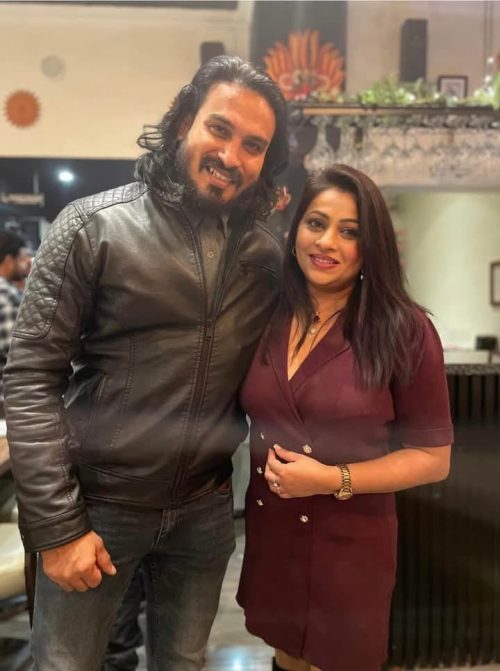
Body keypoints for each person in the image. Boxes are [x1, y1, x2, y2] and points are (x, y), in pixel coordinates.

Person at [4, 55, 288, 671]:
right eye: (219, 128)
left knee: (183, 664)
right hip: (95, 505)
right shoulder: (93, 227)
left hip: (204, 509)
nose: (231, 155)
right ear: (184, 121)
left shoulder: (267, 255)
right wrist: (57, 526)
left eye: (254, 145)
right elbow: (29, 380)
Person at [236, 165, 453, 671]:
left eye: (349, 231)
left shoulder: (405, 329)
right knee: (286, 657)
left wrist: (333, 479)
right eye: (316, 223)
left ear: (370, 246)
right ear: (295, 231)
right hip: (274, 534)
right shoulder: (266, 315)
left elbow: (432, 458)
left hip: (349, 545)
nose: (326, 241)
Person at [0, 230, 30, 408]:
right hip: (7, 398)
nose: (25, 263)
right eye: (21, 257)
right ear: (9, 260)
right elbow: (16, 352)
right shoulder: (6, 293)